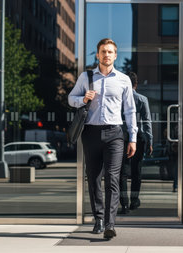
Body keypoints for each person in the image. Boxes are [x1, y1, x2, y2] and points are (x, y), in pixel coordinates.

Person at [68, 38, 137, 240]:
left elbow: (130, 111)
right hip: (90, 133)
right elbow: (71, 99)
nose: (106, 55)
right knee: (94, 178)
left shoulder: (123, 80)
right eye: (103, 51)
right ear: (97, 55)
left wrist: (132, 138)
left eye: (110, 52)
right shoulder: (86, 77)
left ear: (115, 55)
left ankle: (110, 223)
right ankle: (98, 218)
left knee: (113, 179)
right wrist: (83, 98)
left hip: (115, 134)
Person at [119, 72, 153, 214]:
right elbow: (147, 122)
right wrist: (150, 140)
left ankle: (124, 204)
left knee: (122, 173)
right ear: (136, 84)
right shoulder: (142, 99)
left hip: (121, 138)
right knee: (136, 171)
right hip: (138, 138)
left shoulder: (119, 99)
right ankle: (134, 200)